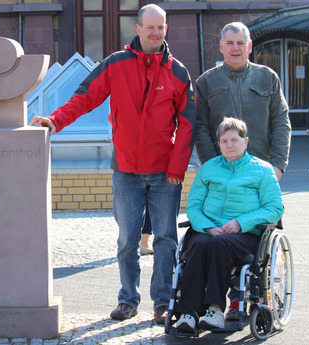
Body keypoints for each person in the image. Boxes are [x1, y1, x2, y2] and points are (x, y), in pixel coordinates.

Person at [30, 4, 195, 324]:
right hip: (126, 171)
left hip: (165, 174)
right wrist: (54, 121)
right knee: (127, 241)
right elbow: (83, 98)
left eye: (161, 27)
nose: (155, 32)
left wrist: (177, 168)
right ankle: (128, 300)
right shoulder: (116, 64)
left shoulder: (178, 72)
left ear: (166, 29)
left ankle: (162, 302)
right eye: (150, 26)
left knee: (165, 239)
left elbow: (187, 123)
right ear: (138, 28)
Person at [194, 21, 291, 320]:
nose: (235, 48)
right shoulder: (207, 81)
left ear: (249, 46)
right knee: (213, 240)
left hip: (260, 179)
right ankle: (210, 304)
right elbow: (201, 128)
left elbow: (281, 122)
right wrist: (216, 167)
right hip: (222, 178)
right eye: (230, 43)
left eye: (241, 43)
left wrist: (277, 166)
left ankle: (245, 298)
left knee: (254, 240)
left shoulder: (267, 78)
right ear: (221, 47)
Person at [175, 117, 284, 333]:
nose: (229, 145)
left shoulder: (262, 170)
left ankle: (215, 309)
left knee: (220, 244)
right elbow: (194, 206)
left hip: (246, 235)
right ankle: (188, 313)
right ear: (219, 144)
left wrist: (240, 222)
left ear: (246, 141)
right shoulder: (208, 169)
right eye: (224, 141)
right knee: (198, 245)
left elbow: (274, 208)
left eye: (234, 140)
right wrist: (207, 227)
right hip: (209, 230)